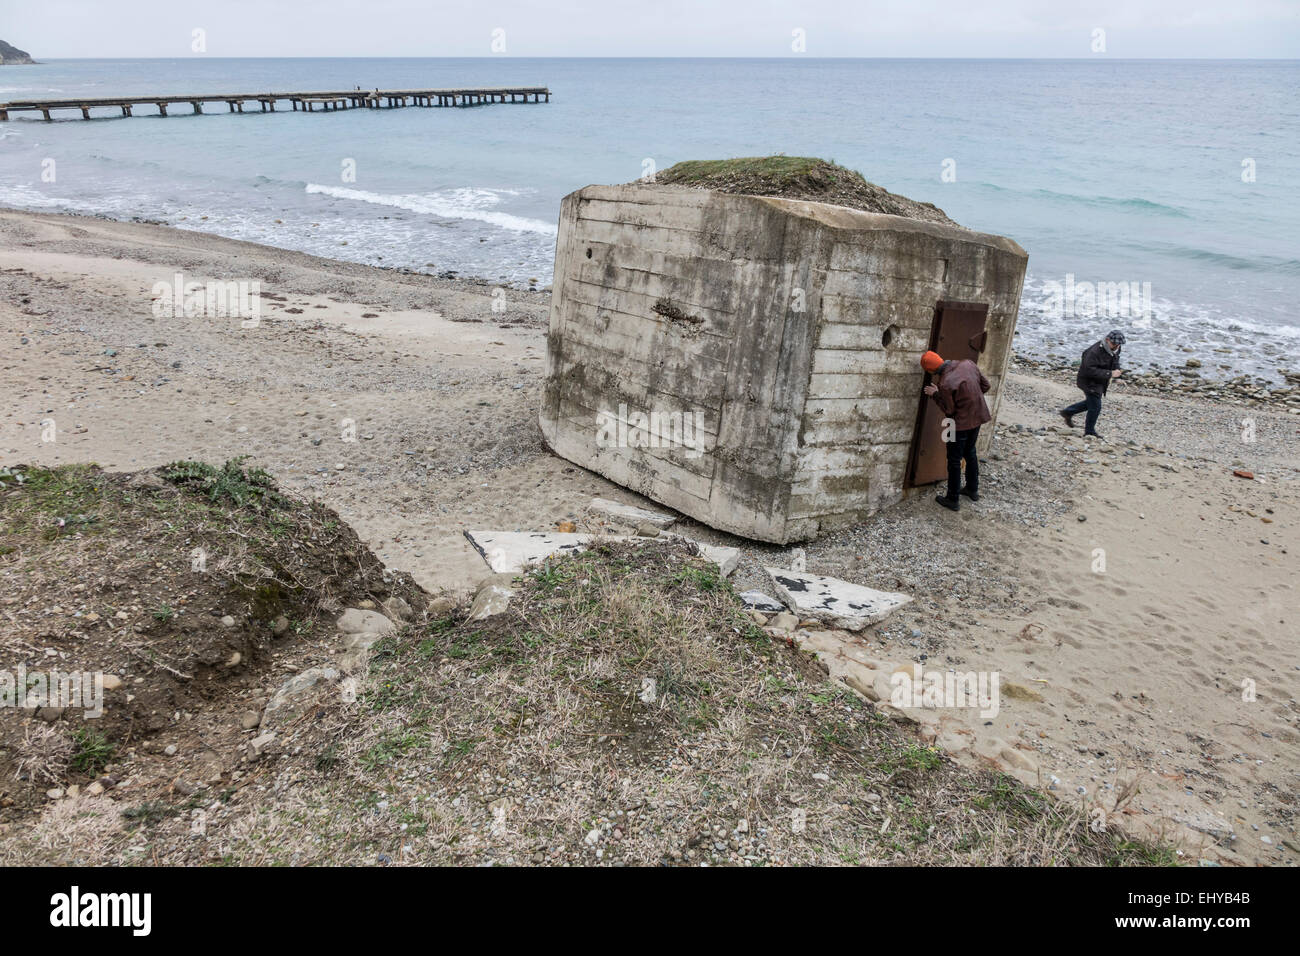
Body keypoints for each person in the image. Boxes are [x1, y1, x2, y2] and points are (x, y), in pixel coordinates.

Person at [921, 350, 991, 512]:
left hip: (956, 425)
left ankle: (952, 498)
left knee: (953, 459)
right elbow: (986, 386)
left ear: (931, 371)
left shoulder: (945, 383)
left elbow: (949, 410)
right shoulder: (968, 363)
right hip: (977, 418)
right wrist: (970, 401)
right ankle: (972, 490)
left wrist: (936, 394)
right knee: (970, 452)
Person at [1060, 330, 1125, 438]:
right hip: (1088, 381)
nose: (1116, 346)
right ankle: (1089, 432)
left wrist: (1118, 375)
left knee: (1091, 403)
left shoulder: (1115, 348)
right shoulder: (1093, 352)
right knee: (1095, 406)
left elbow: (1115, 360)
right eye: (1114, 344)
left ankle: (1068, 412)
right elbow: (1089, 370)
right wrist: (1110, 373)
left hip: (1100, 380)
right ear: (1107, 340)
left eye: (1119, 344)